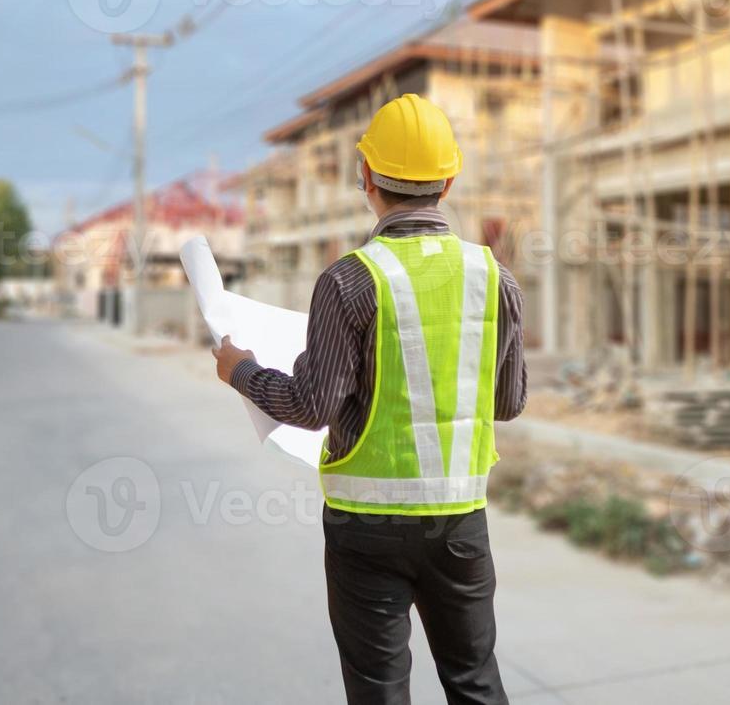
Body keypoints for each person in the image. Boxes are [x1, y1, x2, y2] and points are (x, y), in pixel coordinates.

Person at [212, 93, 527, 705]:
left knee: (379, 692)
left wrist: (243, 372)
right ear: (449, 179)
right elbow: (508, 402)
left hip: (366, 529)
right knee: (475, 683)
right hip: (460, 522)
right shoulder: (495, 277)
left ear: (366, 178)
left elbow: (310, 406)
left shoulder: (349, 279)